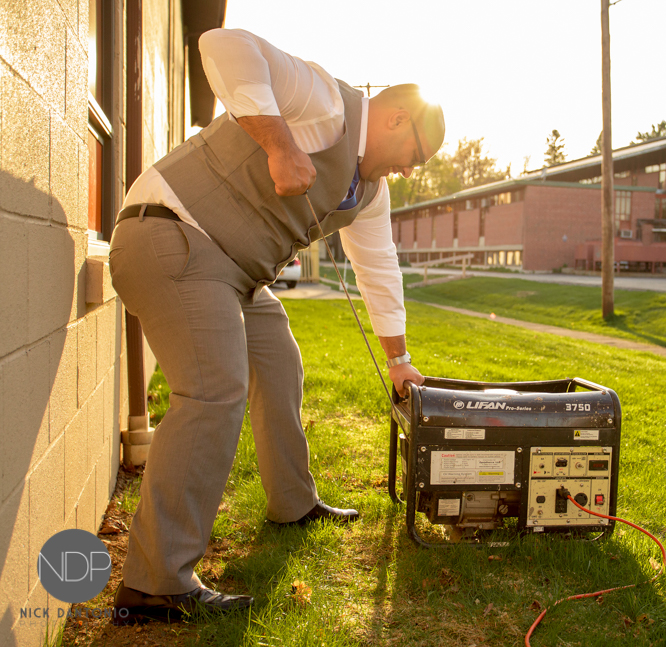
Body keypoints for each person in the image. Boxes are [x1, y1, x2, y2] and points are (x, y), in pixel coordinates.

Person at [108, 28, 444, 624]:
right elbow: (223, 44)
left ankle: (293, 502)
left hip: (232, 272)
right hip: (170, 234)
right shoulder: (323, 101)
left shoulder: (368, 190)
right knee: (214, 390)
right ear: (394, 118)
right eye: (415, 156)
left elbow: (378, 267)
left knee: (279, 360)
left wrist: (399, 360)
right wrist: (279, 143)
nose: (410, 171)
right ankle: (155, 583)